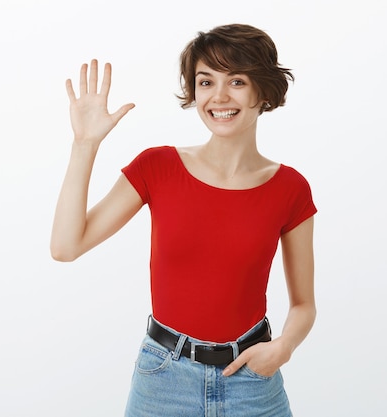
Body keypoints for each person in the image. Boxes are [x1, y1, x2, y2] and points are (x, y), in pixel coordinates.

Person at [50, 23, 316, 417]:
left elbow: (304, 305)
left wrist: (283, 348)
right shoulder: (157, 168)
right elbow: (66, 246)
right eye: (205, 82)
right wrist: (84, 145)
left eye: (237, 81)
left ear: (264, 91)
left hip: (252, 381)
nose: (219, 96)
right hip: (163, 381)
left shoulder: (290, 188)